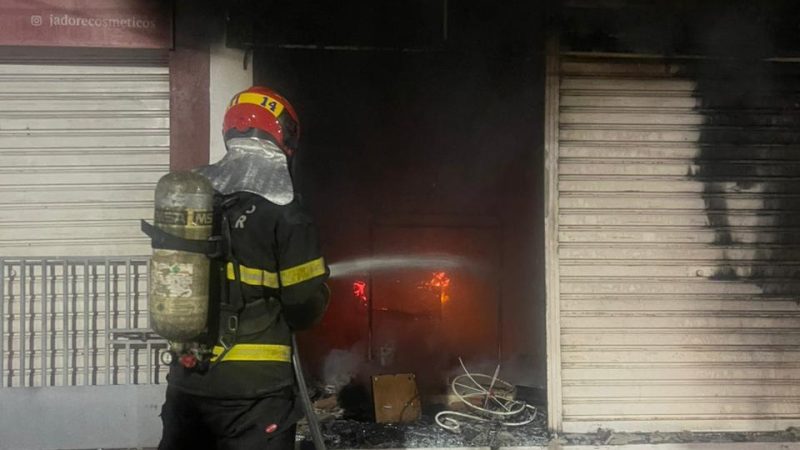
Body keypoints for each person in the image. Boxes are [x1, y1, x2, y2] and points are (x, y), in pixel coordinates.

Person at [158, 86, 330, 450]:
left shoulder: (195, 197)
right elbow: (304, 302)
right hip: (255, 394)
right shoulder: (285, 210)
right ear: (283, 135)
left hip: (189, 382)